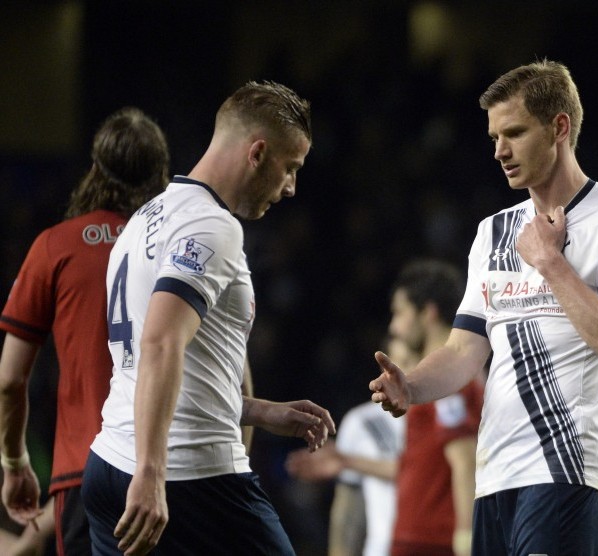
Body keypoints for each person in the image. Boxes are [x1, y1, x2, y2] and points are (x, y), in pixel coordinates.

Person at [370, 59, 598, 556]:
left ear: (559, 128)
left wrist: (551, 262)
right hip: (496, 475)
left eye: (515, 133)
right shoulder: (494, 231)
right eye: (493, 137)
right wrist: (412, 385)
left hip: (571, 470)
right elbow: (464, 349)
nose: (500, 151)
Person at [80, 81, 336, 556]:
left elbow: (159, 368)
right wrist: (152, 472)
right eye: (290, 168)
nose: (290, 188)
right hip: (188, 476)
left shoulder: (146, 218)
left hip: (109, 464)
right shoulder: (213, 226)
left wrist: (259, 411)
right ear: (257, 153)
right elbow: (159, 343)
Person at [0, 106, 170, 556]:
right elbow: (236, 373)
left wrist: (15, 464)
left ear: (95, 168)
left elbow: (9, 379)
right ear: (161, 176)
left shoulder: (55, 246)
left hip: (83, 474)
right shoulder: (180, 248)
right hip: (169, 474)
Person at [385, 260, 483, 556]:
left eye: (400, 312)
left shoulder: (447, 382)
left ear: (428, 313)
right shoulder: (438, 380)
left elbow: (464, 460)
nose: (394, 326)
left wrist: (466, 538)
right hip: (417, 535)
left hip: (432, 540)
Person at [285, 336, 414, 556]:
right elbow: (348, 515)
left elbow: (426, 471)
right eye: (396, 365)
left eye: (414, 361)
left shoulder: (452, 421)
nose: (403, 375)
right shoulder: (361, 421)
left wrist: (349, 461)